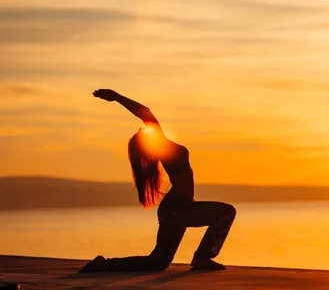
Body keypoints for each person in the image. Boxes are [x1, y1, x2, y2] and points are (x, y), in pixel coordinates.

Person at [79, 89, 236, 272]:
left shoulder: (163, 147)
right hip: (179, 208)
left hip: (174, 208)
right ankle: (202, 257)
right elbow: (145, 112)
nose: (143, 127)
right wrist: (117, 97)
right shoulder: (161, 146)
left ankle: (104, 264)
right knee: (226, 212)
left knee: (158, 262)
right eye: (143, 131)